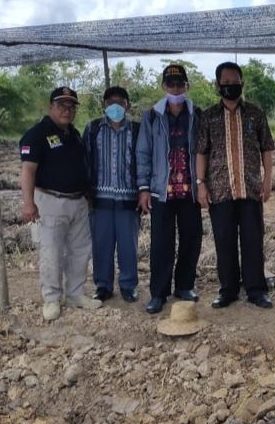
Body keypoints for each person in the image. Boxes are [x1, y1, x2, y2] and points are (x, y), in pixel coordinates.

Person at [19, 87, 102, 321]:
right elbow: (27, 171)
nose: (67, 110)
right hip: (50, 201)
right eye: (61, 105)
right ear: (50, 107)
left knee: (80, 251)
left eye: (71, 106)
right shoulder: (37, 134)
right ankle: (52, 298)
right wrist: (28, 203)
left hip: (78, 201)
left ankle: (75, 293)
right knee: (51, 251)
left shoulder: (74, 134)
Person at [197, 62, 274, 309]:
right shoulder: (208, 116)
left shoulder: (255, 113)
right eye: (226, 83)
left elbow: (266, 148)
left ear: (242, 82)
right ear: (218, 85)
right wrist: (200, 184)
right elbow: (202, 152)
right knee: (224, 242)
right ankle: (228, 290)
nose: (231, 86)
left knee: (253, 241)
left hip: (250, 188)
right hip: (220, 191)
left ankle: (256, 290)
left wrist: (268, 178)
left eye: (235, 82)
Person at [136, 64, 203, 314]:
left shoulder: (197, 114)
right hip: (161, 191)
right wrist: (143, 188)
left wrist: (202, 183)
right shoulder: (152, 116)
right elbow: (143, 152)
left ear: (186, 86)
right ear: (164, 87)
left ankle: (184, 286)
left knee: (191, 238)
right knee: (161, 244)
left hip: (190, 191)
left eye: (180, 84)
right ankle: (158, 293)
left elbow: (204, 151)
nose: (175, 88)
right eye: (171, 84)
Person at [84, 86, 141, 303]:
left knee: (129, 246)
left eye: (120, 101)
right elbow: (84, 160)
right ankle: (103, 285)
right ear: (104, 105)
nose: (115, 106)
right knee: (101, 244)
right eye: (110, 102)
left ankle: (128, 285)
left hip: (129, 199)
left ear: (128, 105)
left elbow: (143, 160)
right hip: (100, 199)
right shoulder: (93, 129)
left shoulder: (137, 130)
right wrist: (86, 192)